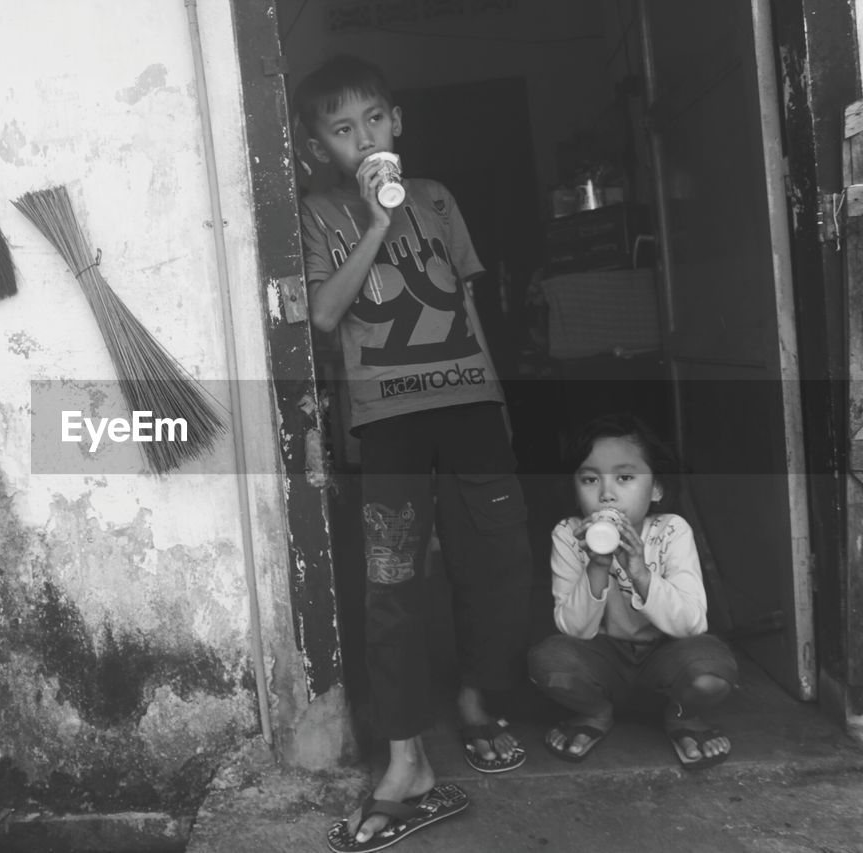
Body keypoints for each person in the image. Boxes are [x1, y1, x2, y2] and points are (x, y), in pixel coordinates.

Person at [294, 54, 534, 851]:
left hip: (471, 411)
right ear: (319, 145)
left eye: (372, 120)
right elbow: (326, 316)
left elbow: (466, 301)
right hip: (388, 421)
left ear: (397, 122)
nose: (361, 138)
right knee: (394, 587)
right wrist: (374, 223)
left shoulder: (439, 198)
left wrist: (496, 404)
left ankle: (475, 697)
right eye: (341, 129)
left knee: (491, 561)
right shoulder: (320, 213)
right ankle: (407, 758)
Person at [527, 413, 739, 769]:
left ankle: (682, 716)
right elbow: (574, 630)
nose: (607, 494)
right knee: (548, 662)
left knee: (712, 672)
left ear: (656, 488)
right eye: (590, 479)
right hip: (602, 660)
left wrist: (639, 570)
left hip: (665, 658)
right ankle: (595, 712)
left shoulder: (672, 530)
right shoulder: (568, 533)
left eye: (625, 477)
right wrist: (596, 565)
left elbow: (691, 624)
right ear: (575, 489)